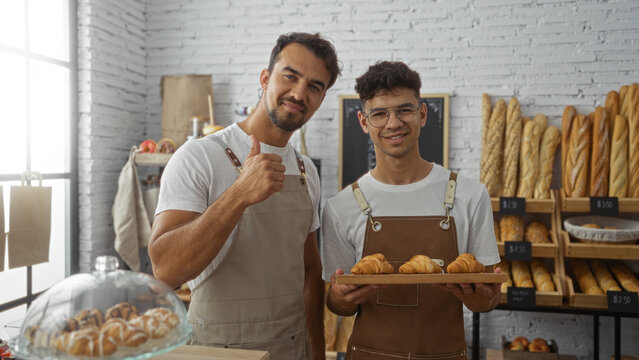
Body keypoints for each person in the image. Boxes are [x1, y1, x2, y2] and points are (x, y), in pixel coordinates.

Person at [148, 32, 341, 360]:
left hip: (293, 349)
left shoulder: (306, 169)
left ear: (321, 99)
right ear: (265, 78)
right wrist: (238, 194)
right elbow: (166, 270)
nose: (298, 93)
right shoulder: (200, 157)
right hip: (218, 351)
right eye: (290, 76)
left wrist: (317, 353)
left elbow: (310, 270)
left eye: (314, 86)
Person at [321, 61, 501, 359]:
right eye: (379, 113)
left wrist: (481, 299)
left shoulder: (470, 195)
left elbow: (488, 301)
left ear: (422, 114)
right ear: (364, 123)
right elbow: (338, 305)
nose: (393, 123)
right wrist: (340, 298)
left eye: (404, 110)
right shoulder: (341, 207)